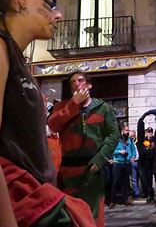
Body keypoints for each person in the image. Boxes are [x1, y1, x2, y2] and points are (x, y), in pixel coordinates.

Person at [0, 0, 96, 226]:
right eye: (49, 1)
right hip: (19, 208)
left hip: (36, 204)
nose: (58, 14)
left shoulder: (9, 54)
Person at [48, 71, 119, 227]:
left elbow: (113, 135)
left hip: (92, 169)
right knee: (71, 215)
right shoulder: (62, 107)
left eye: (80, 80)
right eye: (72, 82)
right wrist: (73, 104)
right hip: (68, 171)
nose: (76, 84)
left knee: (93, 217)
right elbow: (53, 125)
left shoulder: (102, 108)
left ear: (88, 85)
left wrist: (100, 160)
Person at [110, 125, 136, 208]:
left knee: (126, 182)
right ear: (122, 131)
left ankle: (126, 199)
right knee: (115, 182)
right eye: (126, 130)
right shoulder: (117, 140)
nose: (128, 132)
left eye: (128, 131)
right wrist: (119, 151)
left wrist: (133, 156)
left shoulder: (130, 140)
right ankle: (112, 200)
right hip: (118, 163)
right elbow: (112, 150)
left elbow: (133, 149)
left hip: (127, 162)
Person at [139, 126, 156, 203]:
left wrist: (149, 151)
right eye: (149, 132)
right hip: (145, 163)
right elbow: (142, 151)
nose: (150, 133)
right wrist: (150, 151)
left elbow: (155, 151)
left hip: (153, 162)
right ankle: (150, 195)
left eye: (151, 132)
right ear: (146, 133)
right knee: (147, 179)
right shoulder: (143, 140)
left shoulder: (155, 140)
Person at [129, 130, 141, 198]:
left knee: (142, 178)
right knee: (134, 179)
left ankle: (145, 192)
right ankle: (137, 192)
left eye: (133, 136)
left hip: (139, 162)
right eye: (131, 136)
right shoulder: (128, 143)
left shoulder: (138, 142)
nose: (132, 137)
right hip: (132, 163)